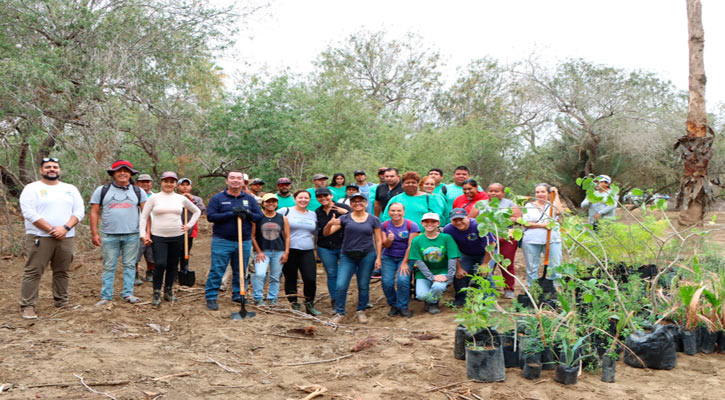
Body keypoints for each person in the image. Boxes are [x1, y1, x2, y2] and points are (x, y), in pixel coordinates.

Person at [18, 157, 84, 319]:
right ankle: (28, 305)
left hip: (66, 237)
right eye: (48, 167)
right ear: (41, 170)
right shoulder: (32, 188)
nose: (52, 169)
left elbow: (79, 211)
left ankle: (61, 301)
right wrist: (51, 229)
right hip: (40, 236)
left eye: (55, 167)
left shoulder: (70, 189)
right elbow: (29, 212)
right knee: (33, 271)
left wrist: (65, 228)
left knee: (62, 271)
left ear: (59, 170)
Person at [90, 160, 147, 305]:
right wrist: (94, 233)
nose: (122, 173)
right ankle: (106, 296)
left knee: (129, 265)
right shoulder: (102, 190)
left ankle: (128, 294)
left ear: (130, 174)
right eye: (119, 171)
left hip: (132, 235)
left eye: (126, 171)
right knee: (109, 266)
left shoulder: (138, 191)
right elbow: (95, 212)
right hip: (109, 235)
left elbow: (145, 213)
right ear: (113, 174)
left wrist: (146, 233)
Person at [139, 172, 201, 306]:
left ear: (175, 184)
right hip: (158, 236)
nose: (169, 184)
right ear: (161, 183)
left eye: (172, 181)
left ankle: (168, 291)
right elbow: (144, 216)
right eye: (166, 181)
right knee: (160, 263)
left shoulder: (180, 198)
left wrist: (189, 225)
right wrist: (143, 234)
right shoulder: (154, 198)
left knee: (173, 265)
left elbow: (197, 211)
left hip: (177, 236)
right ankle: (156, 291)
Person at [204, 171, 263, 310]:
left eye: (238, 178)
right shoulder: (218, 198)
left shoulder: (249, 199)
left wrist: (247, 213)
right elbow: (211, 216)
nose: (235, 180)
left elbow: (259, 217)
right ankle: (211, 296)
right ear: (227, 181)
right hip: (222, 240)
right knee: (217, 269)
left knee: (241, 269)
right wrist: (231, 214)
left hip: (244, 241)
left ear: (243, 182)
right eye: (232, 178)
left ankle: (238, 293)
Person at [324, 193, 382, 323]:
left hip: (367, 255)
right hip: (347, 255)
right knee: (341, 285)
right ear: (351, 204)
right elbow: (327, 233)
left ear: (366, 203)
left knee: (363, 284)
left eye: (360, 201)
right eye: (354, 201)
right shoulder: (345, 218)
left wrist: (379, 257)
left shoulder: (373, 219)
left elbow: (378, 240)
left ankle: (361, 310)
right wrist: (329, 224)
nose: (357, 203)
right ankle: (339, 312)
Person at [409, 213, 460, 314]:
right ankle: (430, 300)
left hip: (442, 271)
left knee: (438, 287)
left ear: (438, 223)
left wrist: (449, 276)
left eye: (433, 221)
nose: (430, 224)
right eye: (426, 221)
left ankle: (433, 303)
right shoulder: (417, 240)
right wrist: (432, 277)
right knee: (421, 295)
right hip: (424, 273)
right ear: (422, 223)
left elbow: (452, 258)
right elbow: (418, 261)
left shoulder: (446, 238)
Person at [279, 190, 319, 314]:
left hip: (307, 250)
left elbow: (316, 232)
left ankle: (309, 303)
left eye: (306, 198)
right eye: (300, 197)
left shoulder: (312, 214)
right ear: (295, 198)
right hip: (289, 250)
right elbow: (271, 222)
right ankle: (294, 303)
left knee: (310, 278)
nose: (303, 200)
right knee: (291, 278)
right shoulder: (285, 211)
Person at [443, 208, 495, 306]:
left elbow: (491, 244)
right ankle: (461, 299)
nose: (458, 222)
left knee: (485, 273)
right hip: (465, 253)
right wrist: (458, 268)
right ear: (451, 221)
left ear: (468, 217)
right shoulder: (448, 229)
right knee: (459, 274)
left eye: (461, 219)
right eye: (455, 220)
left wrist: (485, 264)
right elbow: (451, 249)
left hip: (485, 253)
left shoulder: (479, 226)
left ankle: (488, 300)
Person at [380, 202, 419, 317]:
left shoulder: (411, 225)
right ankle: (393, 305)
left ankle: (403, 306)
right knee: (387, 282)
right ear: (388, 212)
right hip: (388, 257)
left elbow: (411, 245)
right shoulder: (384, 225)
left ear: (403, 212)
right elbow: (385, 245)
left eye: (399, 210)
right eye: (392, 210)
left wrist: (405, 262)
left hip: (406, 256)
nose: (396, 213)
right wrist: (389, 239)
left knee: (403, 280)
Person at [314, 187, 351, 310]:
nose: (323, 198)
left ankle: (342, 297)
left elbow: (357, 219)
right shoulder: (317, 212)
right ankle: (335, 299)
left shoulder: (342, 207)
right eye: (320, 196)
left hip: (343, 245)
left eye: (326, 195)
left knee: (344, 274)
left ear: (331, 195)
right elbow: (317, 230)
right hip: (325, 247)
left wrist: (346, 213)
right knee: (331, 273)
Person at [251, 193, 290, 306]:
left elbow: (287, 236)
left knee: (275, 277)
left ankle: (272, 298)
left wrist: (286, 252)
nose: (271, 204)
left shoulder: (282, 218)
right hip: (263, 251)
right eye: (268, 201)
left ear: (277, 203)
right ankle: (258, 298)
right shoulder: (258, 218)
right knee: (260, 274)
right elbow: (252, 236)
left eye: (274, 201)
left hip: (279, 251)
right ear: (263, 203)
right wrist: (258, 251)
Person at [521, 183, 563, 287]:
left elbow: (558, 212)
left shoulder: (552, 205)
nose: (540, 194)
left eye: (543, 192)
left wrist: (556, 195)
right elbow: (525, 223)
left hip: (552, 240)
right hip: (531, 241)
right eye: (537, 192)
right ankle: (533, 291)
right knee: (532, 268)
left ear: (548, 193)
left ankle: (556, 292)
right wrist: (542, 225)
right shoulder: (529, 206)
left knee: (555, 267)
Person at [486, 183, 522, 298]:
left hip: (507, 236)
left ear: (503, 192)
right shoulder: (483, 204)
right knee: (488, 263)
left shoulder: (510, 204)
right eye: (491, 191)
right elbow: (473, 218)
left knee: (507, 263)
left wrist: (499, 218)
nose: (493, 193)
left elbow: (517, 219)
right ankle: (488, 289)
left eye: (496, 191)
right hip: (488, 236)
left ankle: (509, 289)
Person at [381, 171, 449, 226]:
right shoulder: (395, 199)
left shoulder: (430, 198)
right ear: (402, 185)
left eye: (413, 182)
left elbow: (440, 217)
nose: (410, 185)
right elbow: (386, 217)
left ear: (418, 184)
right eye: (407, 183)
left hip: (424, 236)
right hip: (401, 237)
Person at [177, 178, 206, 276]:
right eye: (182, 184)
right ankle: (174, 271)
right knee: (176, 251)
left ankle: (184, 269)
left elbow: (201, 210)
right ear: (178, 186)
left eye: (187, 185)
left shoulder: (197, 199)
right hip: (176, 228)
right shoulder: (174, 197)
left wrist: (191, 200)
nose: (185, 186)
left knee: (186, 250)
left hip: (190, 230)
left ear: (191, 187)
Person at [134, 173, 155, 284]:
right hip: (137, 230)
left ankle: (150, 272)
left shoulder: (156, 197)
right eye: (142, 182)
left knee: (152, 254)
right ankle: (135, 274)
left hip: (155, 229)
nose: (145, 184)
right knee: (136, 253)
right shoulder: (133, 196)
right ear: (137, 184)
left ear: (151, 183)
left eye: (147, 181)